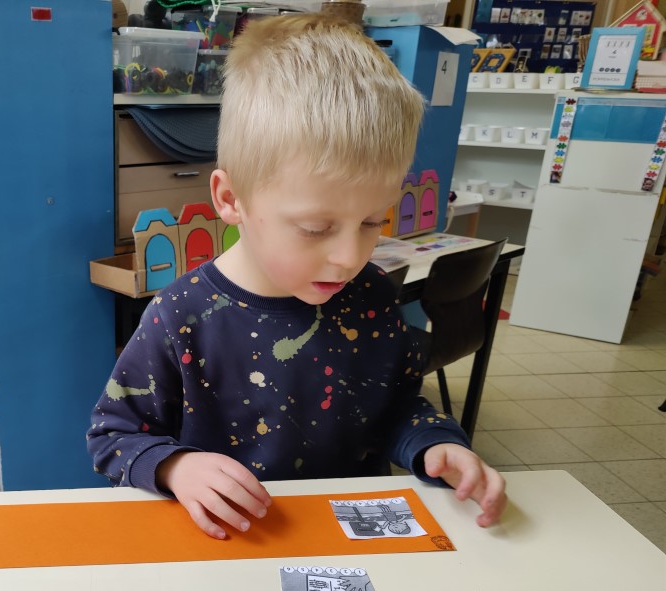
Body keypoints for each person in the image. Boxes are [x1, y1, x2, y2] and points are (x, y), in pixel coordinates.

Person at [87, 15, 506, 539]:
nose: (349, 257)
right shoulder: (179, 315)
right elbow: (113, 434)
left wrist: (434, 442)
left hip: (348, 540)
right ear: (230, 199)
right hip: (232, 544)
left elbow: (396, 406)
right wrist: (175, 466)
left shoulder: (372, 294)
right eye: (315, 228)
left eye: (372, 222)